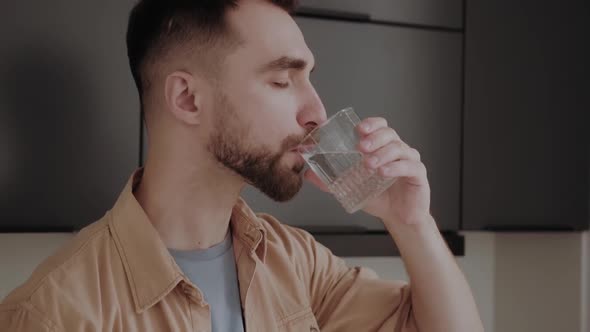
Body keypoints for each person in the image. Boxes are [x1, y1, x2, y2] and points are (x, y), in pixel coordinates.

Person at [0, 0, 484, 331]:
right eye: (281, 81)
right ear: (188, 98)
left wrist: (412, 223)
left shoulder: (296, 262)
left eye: (308, 79)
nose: (316, 110)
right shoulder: (52, 314)